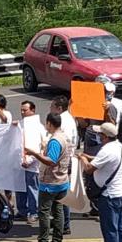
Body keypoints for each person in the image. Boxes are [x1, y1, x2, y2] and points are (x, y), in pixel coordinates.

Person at [78, 123, 122, 242]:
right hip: (121, 192)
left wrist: (82, 158)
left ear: (105, 136)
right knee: (119, 226)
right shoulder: (119, 146)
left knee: (109, 228)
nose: (99, 136)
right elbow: (102, 159)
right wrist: (89, 156)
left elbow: (88, 169)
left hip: (109, 195)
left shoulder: (106, 150)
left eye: (100, 134)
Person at [24, 113, 71, 242]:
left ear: (50, 123)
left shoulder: (55, 140)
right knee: (58, 211)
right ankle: (57, 241)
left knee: (44, 212)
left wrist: (35, 153)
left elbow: (51, 160)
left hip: (51, 182)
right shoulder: (63, 137)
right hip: (62, 181)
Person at [50, 96, 78, 234]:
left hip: (63, 161)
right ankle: (61, 222)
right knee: (61, 193)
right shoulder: (70, 118)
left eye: (52, 107)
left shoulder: (63, 121)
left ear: (59, 108)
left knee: (60, 194)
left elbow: (61, 142)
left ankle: (63, 224)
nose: (50, 109)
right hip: (68, 159)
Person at [16, 100, 45, 226]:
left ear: (32, 110)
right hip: (19, 164)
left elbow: (40, 146)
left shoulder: (38, 127)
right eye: (21, 110)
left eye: (25, 110)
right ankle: (22, 210)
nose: (22, 112)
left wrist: (30, 160)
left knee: (32, 189)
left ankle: (34, 212)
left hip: (32, 165)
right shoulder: (20, 125)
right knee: (19, 188)